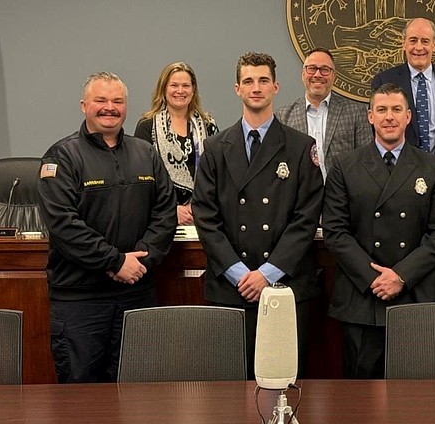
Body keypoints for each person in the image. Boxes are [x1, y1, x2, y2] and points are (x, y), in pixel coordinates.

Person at [38, 72, 177, 383]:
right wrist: (115, 262)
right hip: (81, 302)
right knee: (81, 397)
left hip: (137, 294)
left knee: (138, 396)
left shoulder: (146, 153)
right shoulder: (61, 156)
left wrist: (140, 260)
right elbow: (63, 224)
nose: (109, 107)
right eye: (101, 100)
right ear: (84, 105)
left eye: (117, 101)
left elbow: (165, 212)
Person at [191, 52, 323, 378]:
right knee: (230, 389)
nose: (256, 87)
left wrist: (267, 273)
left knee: (284, 385)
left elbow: (306, 218)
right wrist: (240, 274)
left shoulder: (300, 147)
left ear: (276, 86)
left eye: (263, 80)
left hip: (284, 285)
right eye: (248, 81)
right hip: (231, 288)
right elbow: (206, 217)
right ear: (237, 88)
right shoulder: (216, 148)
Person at [322, 83, 435, 379]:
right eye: (381, 110)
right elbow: (336, 232)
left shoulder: (434, 167)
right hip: (362, 299)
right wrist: (376, 278)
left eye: (396, 109)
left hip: (416, 295)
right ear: (370, 116)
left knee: (416, 401)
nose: (389, 117)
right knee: (361, 400)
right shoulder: (345, 166)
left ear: (408, 116)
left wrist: (400, 276)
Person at [371, 17, 435, 183]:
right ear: (404, 43)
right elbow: (378, 130)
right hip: (397, 178)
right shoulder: (384, 81)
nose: (419, 47)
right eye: (413, 40)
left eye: (425, 41)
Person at [134, 61, 218, 225]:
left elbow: (218, 173)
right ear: (164, 89)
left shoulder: (208, 125)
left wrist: (199, 206)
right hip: (161, 219)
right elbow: (142, 180)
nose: (180, 91)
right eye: (174, 85)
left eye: (186, 85)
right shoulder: (146, 126)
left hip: (203, 216)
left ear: (193, 90)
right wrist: (172, 209)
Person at [276, 47, 371, 179]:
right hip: (300, 196)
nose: (317, 74)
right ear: (303, 74)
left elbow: (366, 161)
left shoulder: (355, 112)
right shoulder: (284, 115)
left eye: (325, 70)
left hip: (341, 195)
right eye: (312, 68)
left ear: (334, 76)